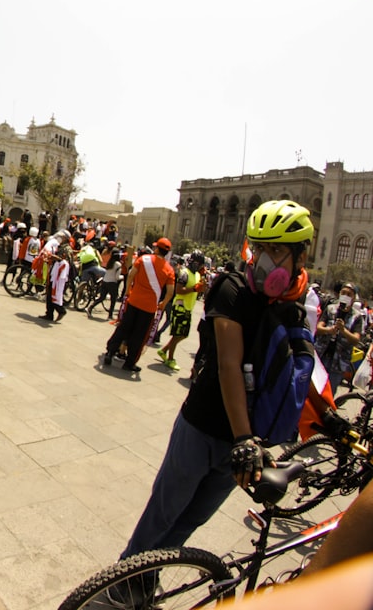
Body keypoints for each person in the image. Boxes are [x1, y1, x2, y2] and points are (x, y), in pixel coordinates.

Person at [117, 200, 346, 563]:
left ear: (301, 257)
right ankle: (121, 582)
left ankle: (146, 578)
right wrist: (244, 439)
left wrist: (329, 416)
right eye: (259, 248)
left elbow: (303, 371)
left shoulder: (295, 310)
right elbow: (229, 364)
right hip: (204, 427)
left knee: (191, 520)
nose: (263, 259)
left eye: (276, 251)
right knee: (162, 514)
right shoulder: (232, 288)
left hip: (243, 446)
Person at [104, 237, 176, 374]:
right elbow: (170, 292)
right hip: (149, 308)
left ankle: (110, 352)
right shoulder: (169, 270)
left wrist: (127, 291)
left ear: (157, 249)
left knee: (123, 328)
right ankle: (130, 363)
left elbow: (131, 275)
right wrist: (163, 304)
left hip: (134, 301)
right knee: (139, 335)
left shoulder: (144, 259)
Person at [157, 251, 206, 372]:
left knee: (183, 334)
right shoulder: (184, 273)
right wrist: (194, 289)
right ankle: (170, 359)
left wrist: (202, 287)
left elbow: (197, 289)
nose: (199, 266)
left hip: (188, 308)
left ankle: (164, 350)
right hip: (180, 307)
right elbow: (178, 290)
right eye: (198, 263)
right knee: (177, 334)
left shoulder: (197, 275)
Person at [315, 282, 368, 393]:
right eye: (343, 293)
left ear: (354, 298)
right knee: (313, 389)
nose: (345, 296)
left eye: (349, 294)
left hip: (338, 362)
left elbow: (356, 339)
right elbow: (318, 328)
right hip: (321, 355)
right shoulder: (330, 309)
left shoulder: (357, 317)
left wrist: (343, 330)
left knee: (329, 392)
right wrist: (329, 330)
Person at [40, 243, 71, 322]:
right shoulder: (57, 259)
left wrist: (57, 258)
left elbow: (63, 262)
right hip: (52, 279)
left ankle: (61, 311)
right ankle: (49, 314)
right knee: (49, 297)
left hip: (58, 282)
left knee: (54, 297)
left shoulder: (65, 262)